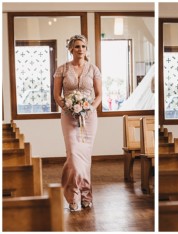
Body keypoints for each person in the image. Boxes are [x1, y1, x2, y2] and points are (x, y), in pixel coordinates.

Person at [53, 35, 103, 211]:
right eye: (76, 47)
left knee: (85, 158)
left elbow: (98, 95)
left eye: (83, 46)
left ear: (86, 49)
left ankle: (86, 195)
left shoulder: (94, 69)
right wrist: (67, 106)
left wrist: (89, 109)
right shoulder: (62, 69)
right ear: (71, 49)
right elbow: (57, 95)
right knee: (74, 155)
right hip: (68, 116)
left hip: (89, 118)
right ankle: (73, 196)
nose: (80, 49)